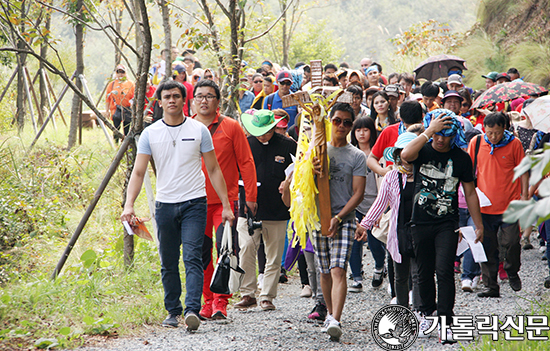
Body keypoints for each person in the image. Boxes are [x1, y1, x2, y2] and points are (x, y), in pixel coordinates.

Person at [120, 80, 235, 331]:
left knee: (193, 257)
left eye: (176, 96)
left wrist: (226, 205)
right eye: (166, 97)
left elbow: (214, 169)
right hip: (165, 206)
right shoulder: (150, 133)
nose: (171, 100)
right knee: (168, 261)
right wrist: (129, 205)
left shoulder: (199, 130)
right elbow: (139, 173)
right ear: (159, 102)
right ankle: (172, 311)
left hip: (195, 203)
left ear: (185, 100)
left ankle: (192, 310)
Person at [400, 109, 484, 344]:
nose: (440, 139)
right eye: (438, 134)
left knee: (445, 270)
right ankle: (426, 313)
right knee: (423, 272)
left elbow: (469, 191)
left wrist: (478, 224)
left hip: (447, 223)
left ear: (453, 135)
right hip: (420, 221)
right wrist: (428, 130)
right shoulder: (423, 149)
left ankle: (446, 322)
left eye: (446, 135)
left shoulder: (461, 158)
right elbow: (405, 155)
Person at [190, 79, 257, 320]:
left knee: (226, 249)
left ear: (218, 101)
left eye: (209, 96)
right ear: (193, 100)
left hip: (225, 203)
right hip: (194, 203)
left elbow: (246, 162)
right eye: (199, 96)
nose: (204, 100)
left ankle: (221, 302)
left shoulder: (231, 127)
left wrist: (251, 197)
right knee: (201, 253)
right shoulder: (187, 128)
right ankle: (206, 301)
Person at [312, 103, 366, 342]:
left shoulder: (357, 156)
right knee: (324, 271)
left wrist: (339, 217)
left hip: (344, 218)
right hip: (318, 218)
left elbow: (358, 193)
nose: (342, 126)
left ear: (352, 126)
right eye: (337, 121)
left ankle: (336, 318)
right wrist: (309, 170)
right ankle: (329, 314)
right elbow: (304, 187)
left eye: (347, 122)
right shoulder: (316, 150)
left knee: (338, 269)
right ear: (329, 121)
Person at [234, 109, 297, 311]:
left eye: (267, 131)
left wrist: (288, 183)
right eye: (259, 131)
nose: (263, 136)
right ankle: (247, 293)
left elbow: (298, 170)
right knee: (246, 249)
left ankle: (267, 296)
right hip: (247, 208)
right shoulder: (245, 143)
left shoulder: (288, 145)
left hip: (277, 209)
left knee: (274, 254)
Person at [358, 132, 421, 310]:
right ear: (398, 154)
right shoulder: (391, 177)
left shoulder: (424, 175)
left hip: (422, 231)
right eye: (403, 151)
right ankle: (403, 310)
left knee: (418, 275)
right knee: (400, 276)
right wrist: (364, 225)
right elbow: (380, 204)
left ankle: (420, 311)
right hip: (398, 231)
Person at [469, 112, 529, 298]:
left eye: (497, 133)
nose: (493, 137)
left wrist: (525, 195)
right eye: (490, 133)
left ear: (505, 128)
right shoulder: (477, 143)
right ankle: (490, 286)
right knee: (487, 246)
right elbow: (468, 173)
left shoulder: (514, 144)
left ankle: (511, 270)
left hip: (509, 204)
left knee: (511, 242)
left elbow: (523, 171)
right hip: (484, 206)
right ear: (484, 130)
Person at [349, 117, 378, 292]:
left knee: (375, 241)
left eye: (365, 130)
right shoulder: (350, 152)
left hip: (376, 203)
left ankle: (379, 268)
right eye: (358, 130)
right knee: (354, 241)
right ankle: (357, 277)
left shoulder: (377, 152)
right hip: (355, 203)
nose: (361, 133)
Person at [367, 100, 423, 177]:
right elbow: (371, 158)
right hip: (394, 181)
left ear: (422, 118)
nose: (411, 129)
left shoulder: (427, 133)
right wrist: (382, 171)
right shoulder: (389, 131)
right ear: (400, 118)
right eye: (407, 126)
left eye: (415, 126)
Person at [105, 64, 135, 142]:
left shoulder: (131, 84)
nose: (120, 74)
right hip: (115, 109)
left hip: (127, 109)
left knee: (127, 128)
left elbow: (134, 96)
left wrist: (132, 104)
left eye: (122, 72)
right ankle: (116, 143)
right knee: (116, 128)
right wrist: (107, 111)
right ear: (116, 73)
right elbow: (107, 98)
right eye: (119, 72)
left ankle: (126, 144)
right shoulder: (112, 84)